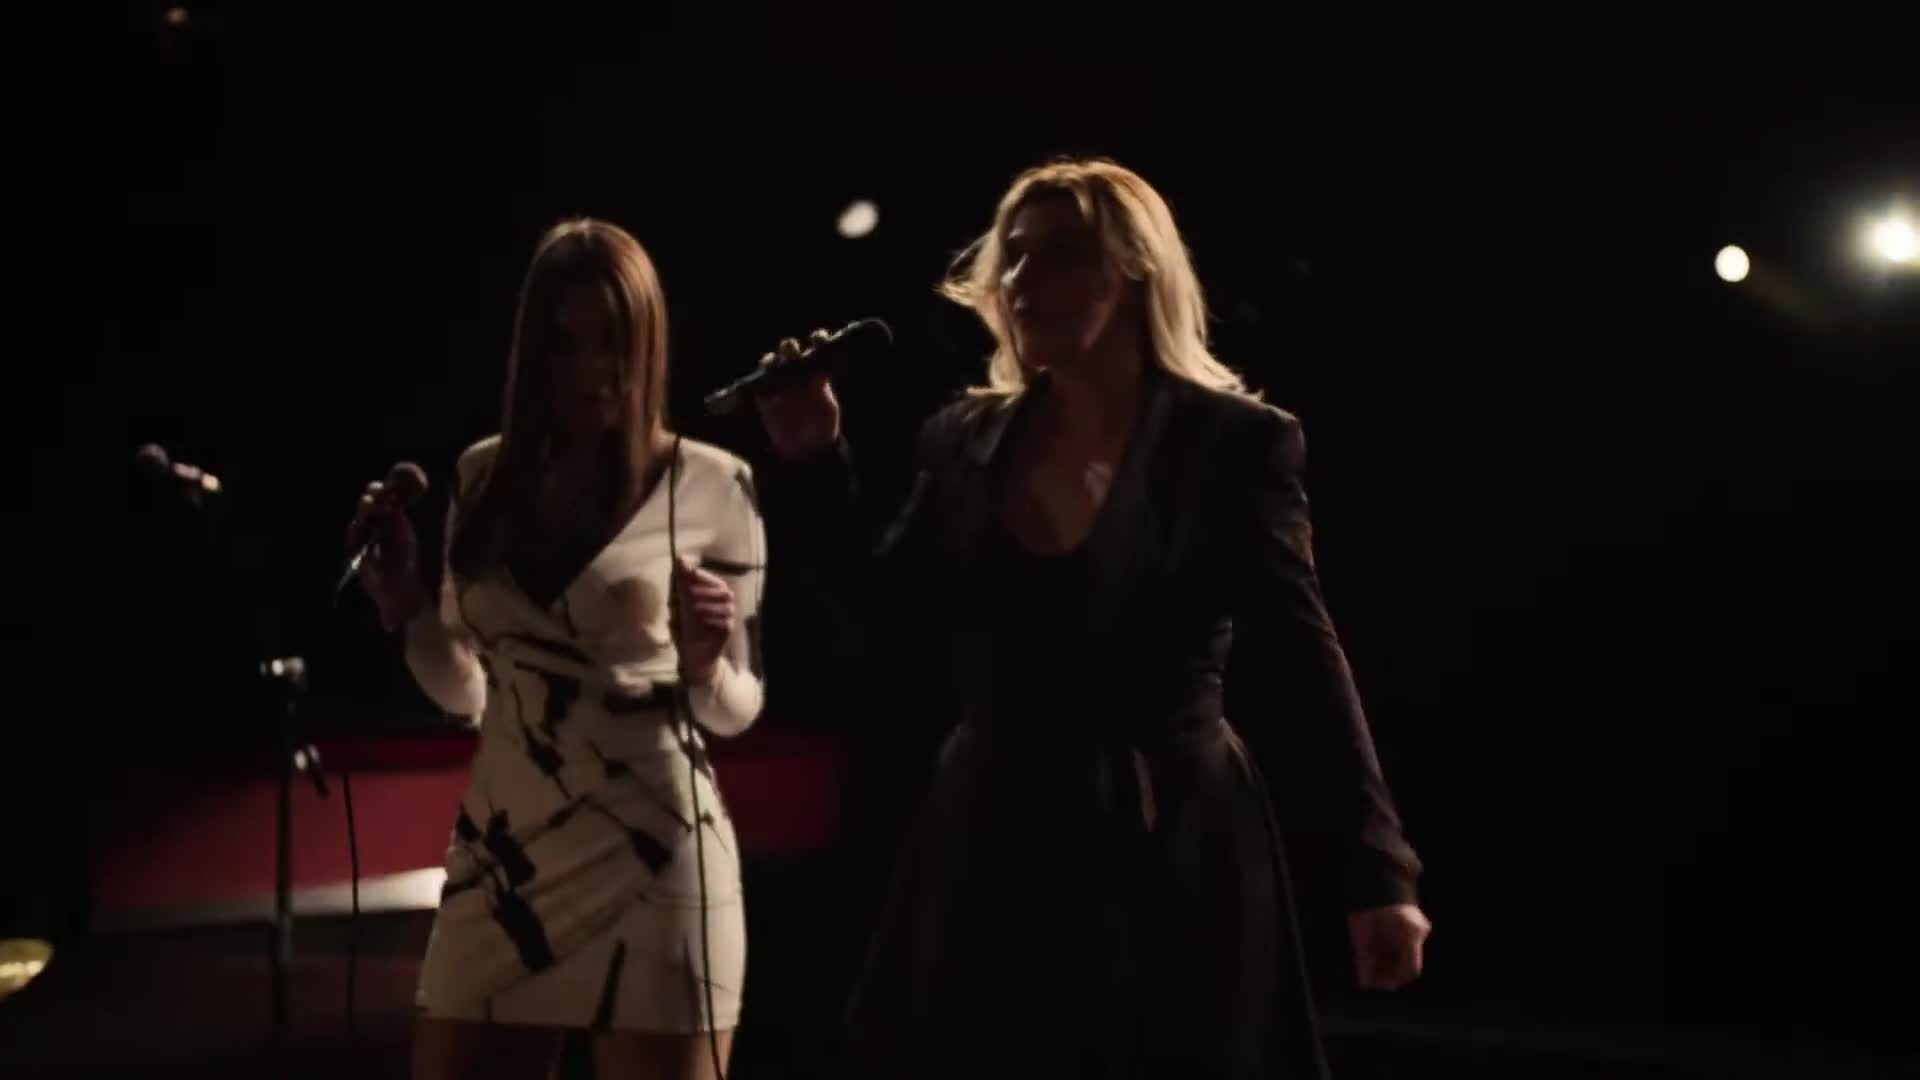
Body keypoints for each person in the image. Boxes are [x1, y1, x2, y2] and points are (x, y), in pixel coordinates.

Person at [752, 158, 1430, 1080]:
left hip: (1167, 840)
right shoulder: (965, 441)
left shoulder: (1231, 445)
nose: (1022, 280)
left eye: (1061, 255)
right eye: (1013, 256)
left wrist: (1377, 873)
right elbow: (882, 629)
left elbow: (1305, 661)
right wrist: (813, 463)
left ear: (1135, 273)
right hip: (991, 840)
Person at [349, 218, 767, 1080]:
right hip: (502, 858)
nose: (589, 370)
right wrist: (407, 610)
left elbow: (737, 709)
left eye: (610, 342)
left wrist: (704, 664)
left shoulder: (715, 484)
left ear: (648, 341)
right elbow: (469, 694)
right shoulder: (481, 478)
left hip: (657, 857)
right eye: (563, 344)